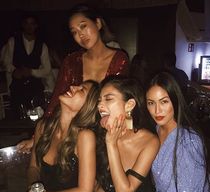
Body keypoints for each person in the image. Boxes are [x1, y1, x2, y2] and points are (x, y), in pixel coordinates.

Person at [17, 4, 129, 152]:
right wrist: (35, 137)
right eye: (74, 32)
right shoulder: (71, 61)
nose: (80, 35)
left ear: (98, 23)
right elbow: (57, 98)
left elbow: (119, 101)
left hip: (106, 131)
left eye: (83, 26)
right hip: (74, 132)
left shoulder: (119, 58)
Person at [8, 80, 99, 192]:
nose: (72, 87)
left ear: (88, 106)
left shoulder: (85, 136)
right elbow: (33, 168)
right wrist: (33, 190)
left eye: (82, 90)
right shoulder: (43, 127)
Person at [146, 72, 210, 192]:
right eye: (151, 103)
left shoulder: (188, 141)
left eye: (164, 102)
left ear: (175, 100)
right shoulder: (155, 131)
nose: (157, 110)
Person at [95, 76, 159, 192]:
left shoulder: (149, 141)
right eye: (99, 101)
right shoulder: (98, 133)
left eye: (108, 99)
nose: (99, 106)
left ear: (129, 105)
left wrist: (111, 144)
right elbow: (92, 176)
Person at [3, 12, 52, 118]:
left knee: (37, 116)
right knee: (17, 116)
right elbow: (6, 62)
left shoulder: (42, 45)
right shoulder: (13, 41)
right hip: (17, 86)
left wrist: (31, 72)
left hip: (35, 86)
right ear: (23, 25)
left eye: (32, 23)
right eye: (26, 23)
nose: (29, 26)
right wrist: (14, 70)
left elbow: (47, 69)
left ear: (36, 26)